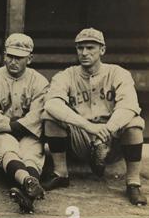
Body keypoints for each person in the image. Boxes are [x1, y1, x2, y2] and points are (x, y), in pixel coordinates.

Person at [42, 28, 147, 206]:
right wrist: (89, 127)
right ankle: (61, 174)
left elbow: (129, 106)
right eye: (80, 48)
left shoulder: (118, 73)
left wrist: (108, 129)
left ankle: (133, 183)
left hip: (111, 138)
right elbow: (52, 103)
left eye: (90, 48)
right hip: (81, 136)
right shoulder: (67, 75)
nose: (84, 53)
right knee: (49, 116)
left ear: (102, 50)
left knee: (135, 123)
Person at [0, 33, 49, 214]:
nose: (13, 61)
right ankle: (28, 183)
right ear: (4, 55)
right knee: (8, 148)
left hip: (27, 132)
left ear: (30, 58)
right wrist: (11, 127)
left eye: (19, 57)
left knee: (31, 153)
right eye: (10, 56)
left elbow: (36, 117)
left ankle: (26, 188)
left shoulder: (40, 82)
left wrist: (7, 125)